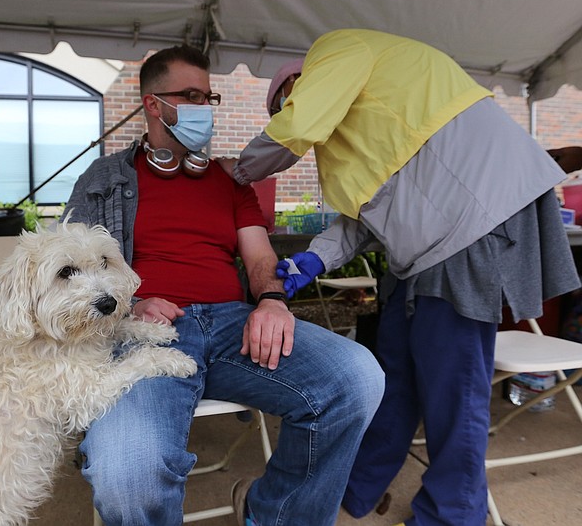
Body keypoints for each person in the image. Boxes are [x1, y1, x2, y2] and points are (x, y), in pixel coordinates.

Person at [219, 29, 581, 526]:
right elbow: (364, 215)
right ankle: (356, 488)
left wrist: (235, 174)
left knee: (454, 389)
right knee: (394, 377)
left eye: (284, 105)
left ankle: (453, 515)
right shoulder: (357, 133)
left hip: (472, 227)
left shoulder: (339, 51)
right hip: (427, 252)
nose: (287, 116)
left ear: (302, 83)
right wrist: (314, 259)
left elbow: (297, 126)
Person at [62, 45, 384, 526]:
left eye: (207, 97)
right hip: (145, 332)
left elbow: (259, 257)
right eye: (190, 95)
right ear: (154, 104)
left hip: (232, 324)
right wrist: (130, 305)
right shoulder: (104, 177)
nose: (203, 108)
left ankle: (270, 514)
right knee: (129, 472)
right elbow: (68, 266)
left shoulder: (230, 181)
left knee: (357, 379)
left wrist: (272, 301)